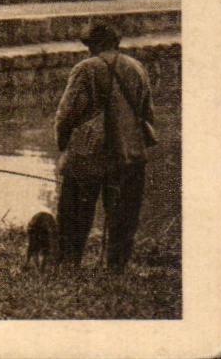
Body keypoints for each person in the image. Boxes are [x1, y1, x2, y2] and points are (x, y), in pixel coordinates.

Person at [54, 24, 156, 271]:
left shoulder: (86, 69)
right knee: (124, 217)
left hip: (89, 153)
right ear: (116, 43)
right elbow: (148, 113)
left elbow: (66, 114)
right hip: (130, 154)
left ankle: (69, 264)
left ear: (93, 45)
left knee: (75, 215)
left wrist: (64, 147)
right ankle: (117, 268)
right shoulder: (136, 67)